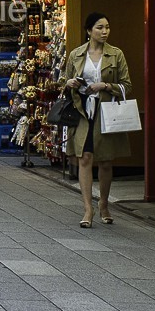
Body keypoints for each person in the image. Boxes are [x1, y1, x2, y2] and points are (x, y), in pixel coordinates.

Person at [61, 13, 132, 225]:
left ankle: (104, 203)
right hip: (82, 110)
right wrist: (70, 83)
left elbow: (127, 85)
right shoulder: (76, 54)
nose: (104, 31)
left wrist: (106, 86)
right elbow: (65, 83)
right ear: (89, 30)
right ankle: (88, 209)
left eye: (107, 27)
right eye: (100, 27)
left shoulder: (116, 54)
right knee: (84, 157)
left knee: (106, 161)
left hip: (106, 110)